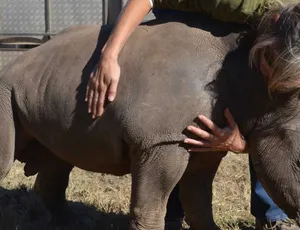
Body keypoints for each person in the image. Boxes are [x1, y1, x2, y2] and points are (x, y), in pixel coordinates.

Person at [85, 1, 300, 229]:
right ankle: (171, 211)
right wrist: (110, 54)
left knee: (274, 105)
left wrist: (241, 144)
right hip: (180, 20)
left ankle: (272, 216)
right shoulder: (242, 4)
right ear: (273, 24)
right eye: (272, 64)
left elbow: (281, 132)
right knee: (179, 113)